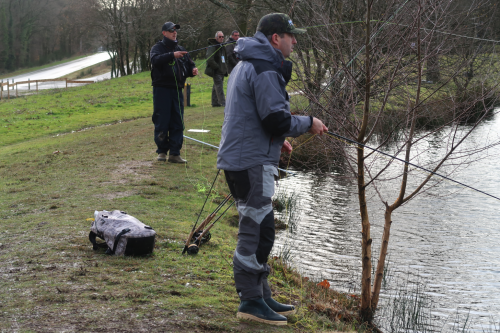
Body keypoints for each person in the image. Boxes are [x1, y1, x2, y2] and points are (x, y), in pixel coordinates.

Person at [217, 13, 328, 326]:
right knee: (254, 231)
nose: (295, 41)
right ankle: (250, 300)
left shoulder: (248, 61)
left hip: (247, 158)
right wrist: (309, 123)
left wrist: (277, 140)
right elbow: (275, 119)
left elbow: (255, 115)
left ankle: (261, 293)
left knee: (263, 229)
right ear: (275, 38)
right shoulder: (264, 66)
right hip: (250, 163)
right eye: (291, 36)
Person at [150, 21, 198, 163]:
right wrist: (172, 55)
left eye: (175, 30)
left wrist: (192, 71)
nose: (174, 32)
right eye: (171, 30)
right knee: (162, 120)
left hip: (177, 89)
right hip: (162, 89)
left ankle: (175, 153)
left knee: (178, 121)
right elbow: (155, 60)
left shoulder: (181, 49)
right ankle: (162, 152)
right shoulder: (157, 48)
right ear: (164, 33)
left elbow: (189, 65)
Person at [205, 31, 228, 107]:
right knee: (219, 87)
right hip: (217, 71)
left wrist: (224, 68)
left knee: (216, 86)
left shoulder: (222, 46)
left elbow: (225, 57)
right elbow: (209, 59)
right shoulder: (213, 46)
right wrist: (216, 67)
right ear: (216, 38)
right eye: (220, 37)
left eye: (222, 37)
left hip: (222, 70)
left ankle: (215, 102)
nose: (221, 38)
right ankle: (223, 103)